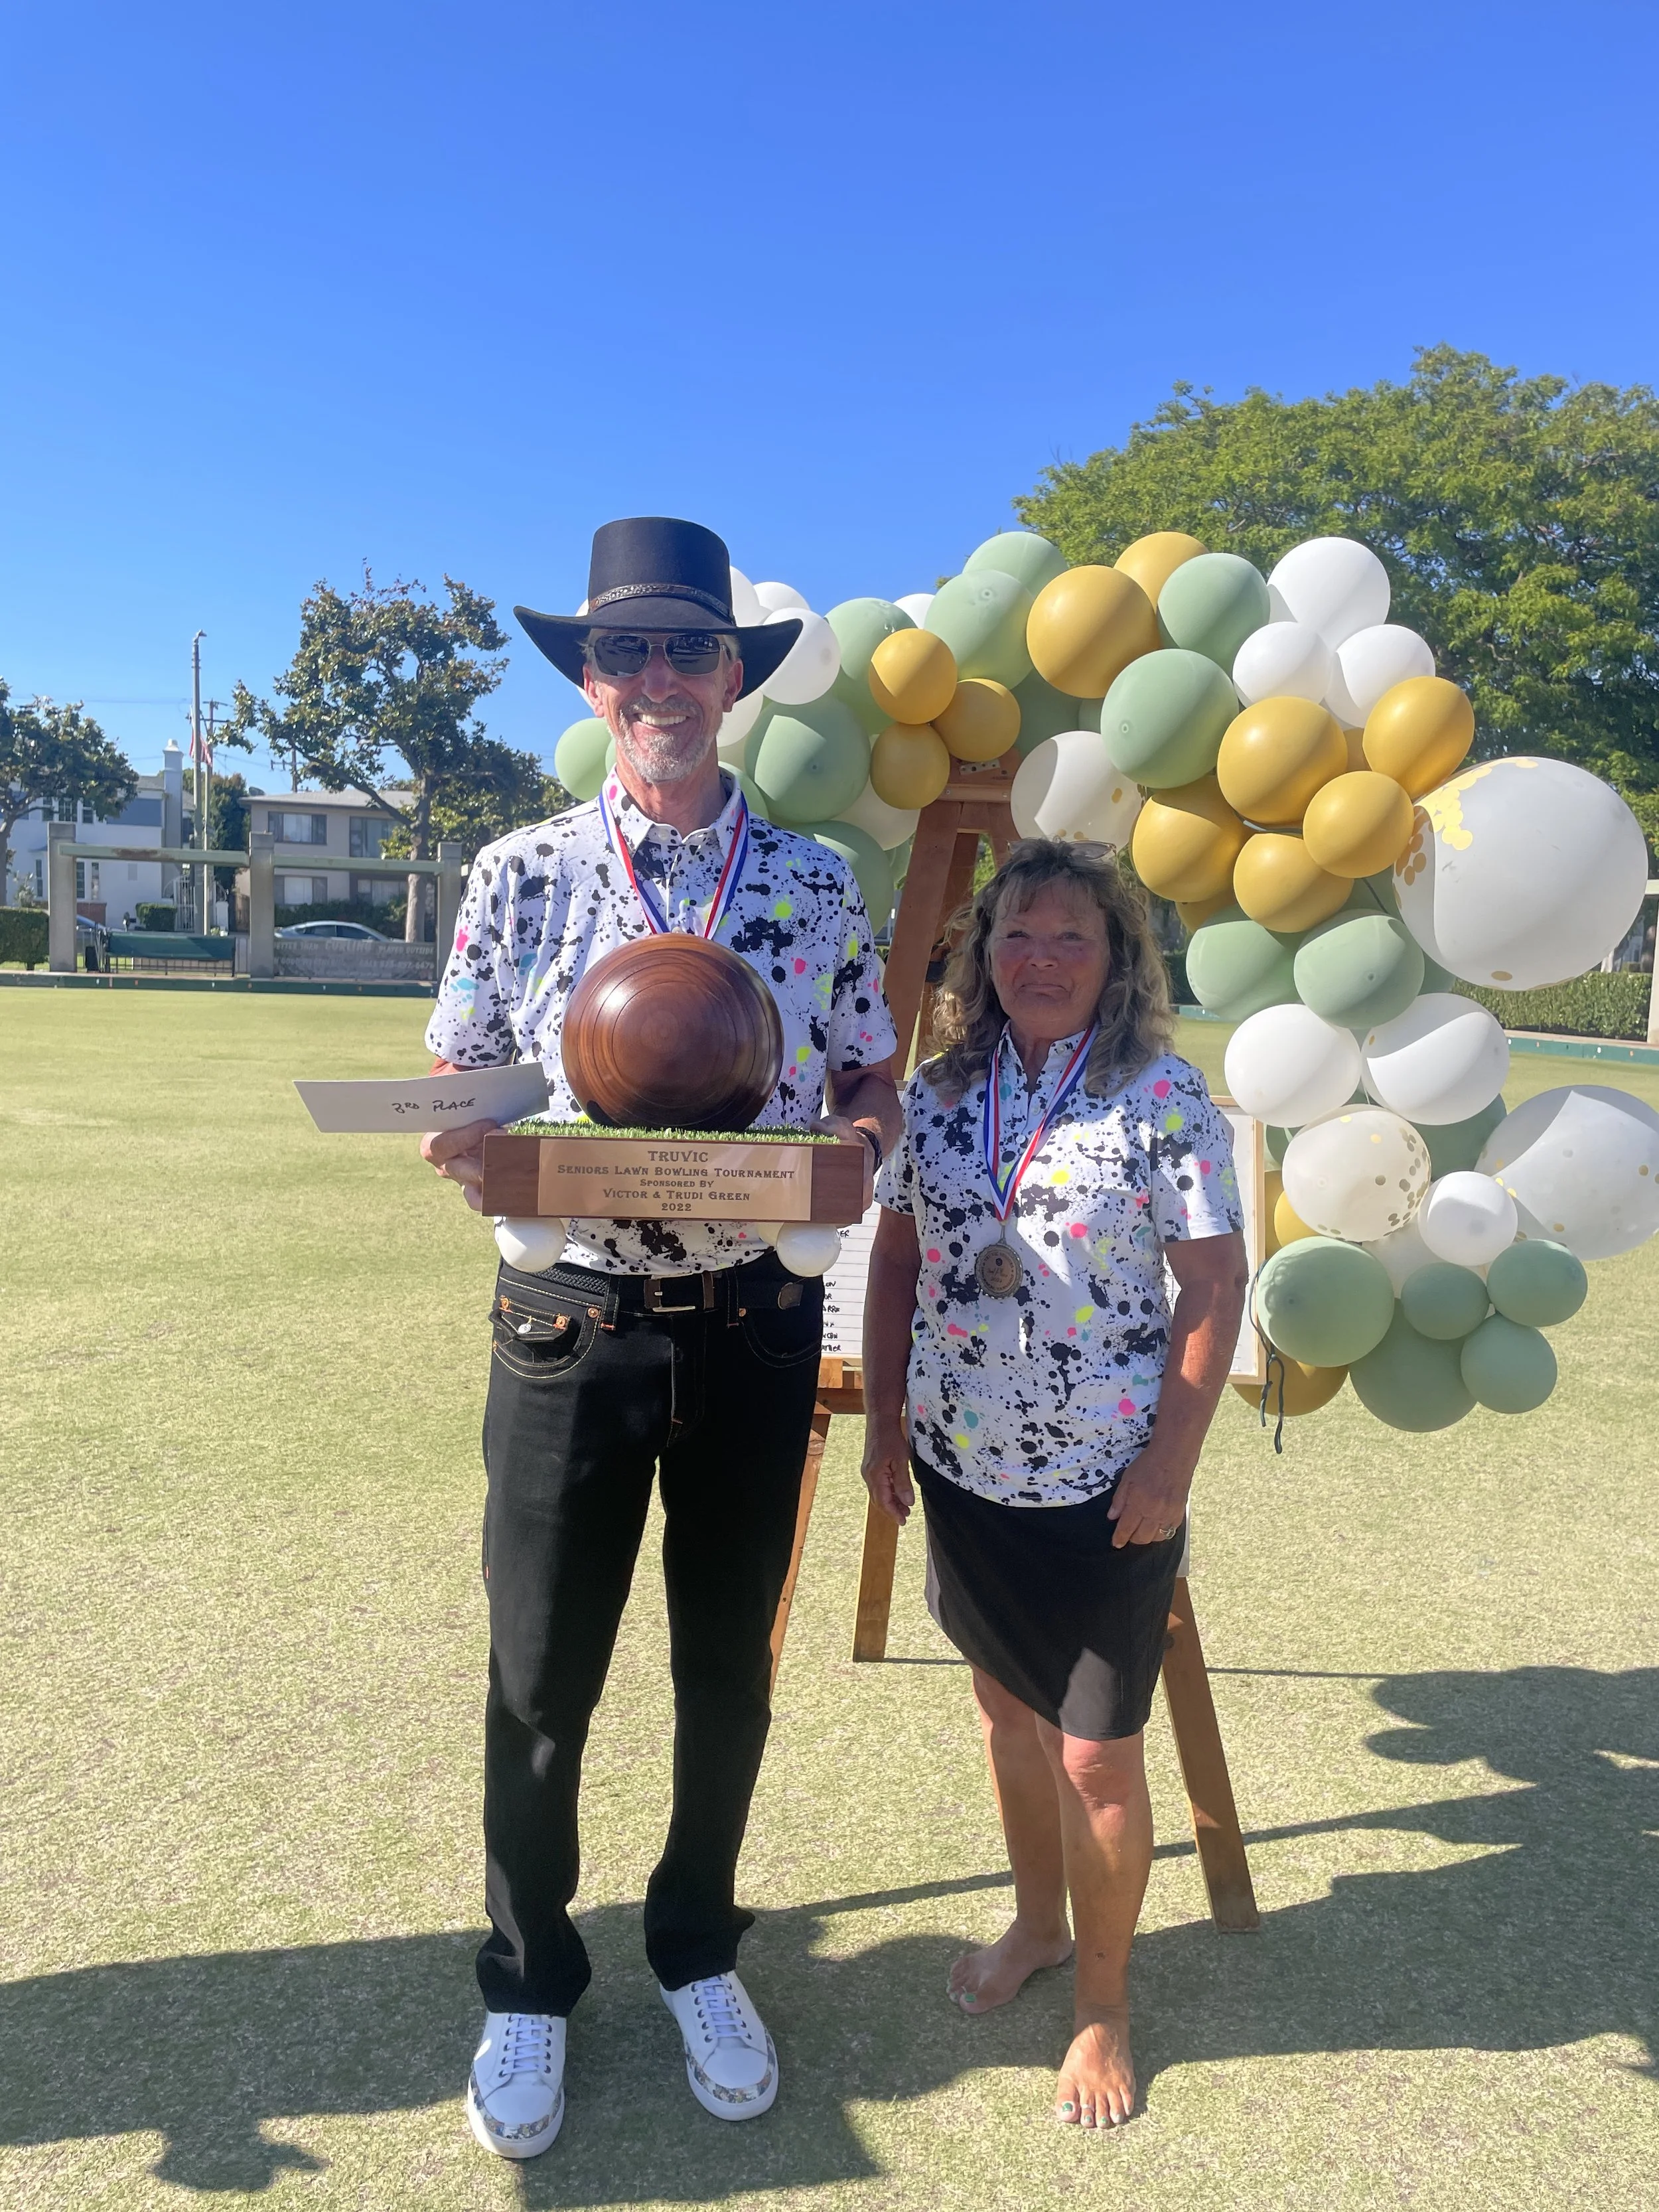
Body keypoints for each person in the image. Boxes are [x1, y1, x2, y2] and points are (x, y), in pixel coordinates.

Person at [419, 518, 901, 2158]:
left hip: (757, 1322)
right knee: (540, 1676)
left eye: (688, 649)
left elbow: (865, 1075)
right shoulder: (521, 870)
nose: (657, 681)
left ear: (733, 675)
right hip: (569, 1318)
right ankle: (527, 1980)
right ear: (586, 675)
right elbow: (465, 1069)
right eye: (623, 652)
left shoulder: (818, 880)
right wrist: (464, 1144)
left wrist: (859, 1141)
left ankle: (694, 1943)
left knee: (724, 1680)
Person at [861, 840, 1246, 2130]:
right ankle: (1035, 1921)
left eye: (1068, 937)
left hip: (1105, 1484)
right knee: (1004, 1720)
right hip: (964, 1468)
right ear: (980, 957)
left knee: (1091, 1753)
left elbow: (1210, 1285)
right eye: (1013, 935)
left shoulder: (1162, 1097)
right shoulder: (938, 1091)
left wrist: (1169, 1461)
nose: (1036, 958)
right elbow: (898, 1261)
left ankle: (1102, 2000)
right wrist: (879, 1424)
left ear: (1115, 962)